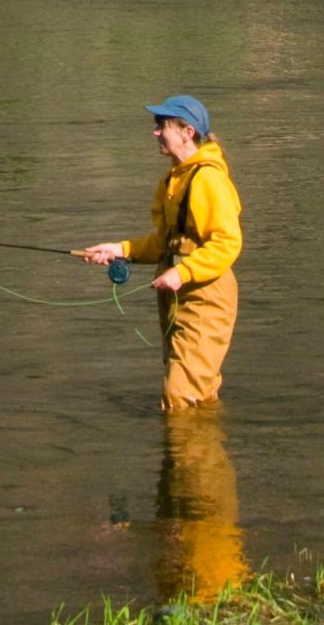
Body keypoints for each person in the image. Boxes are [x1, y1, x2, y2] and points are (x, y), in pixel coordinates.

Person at [76, 94, 242, 412]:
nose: (154, 132)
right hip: (179, 294)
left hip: (206, 296)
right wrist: (120, 250)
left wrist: (181, 273)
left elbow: (227, 243)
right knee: (197, 395)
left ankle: (193, 459)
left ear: (186, 131)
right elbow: (167, 245)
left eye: (161, 125)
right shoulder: (174, 179)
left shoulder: (207, 179)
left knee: (179, 398)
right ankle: (197, 457)